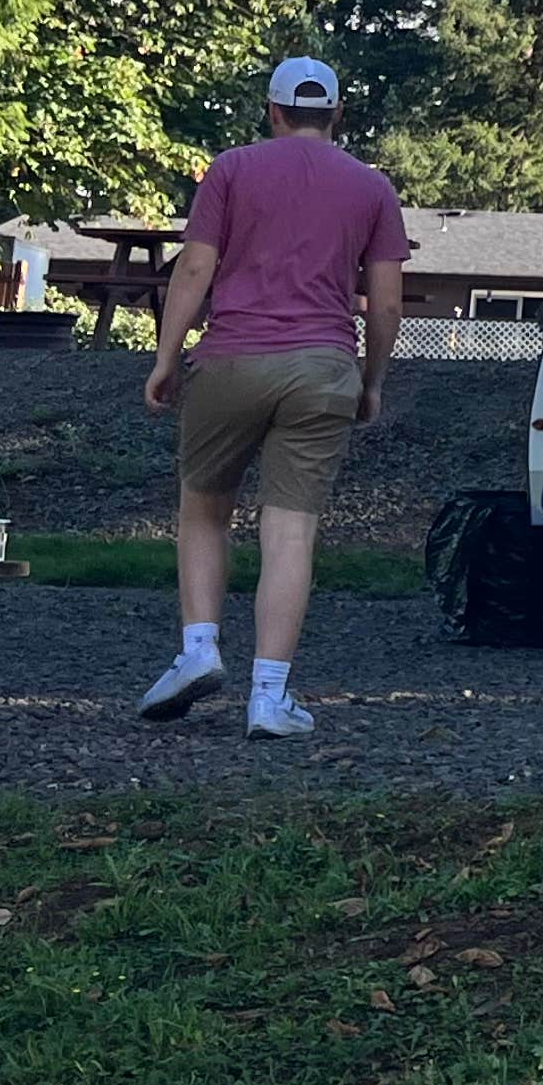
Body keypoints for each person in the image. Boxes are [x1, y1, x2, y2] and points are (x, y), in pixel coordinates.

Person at [136, 57, 412, 737]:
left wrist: (167, 358)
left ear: (274, 111)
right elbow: (385, 303)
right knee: (290, 530)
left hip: (231, 360)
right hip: (323, 368)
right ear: (337, 114)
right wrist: (372, 380)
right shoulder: (372, 187)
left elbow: (195, 267)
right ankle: (269, 696)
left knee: (204, 510)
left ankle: (199, 649)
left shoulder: (231, 169)